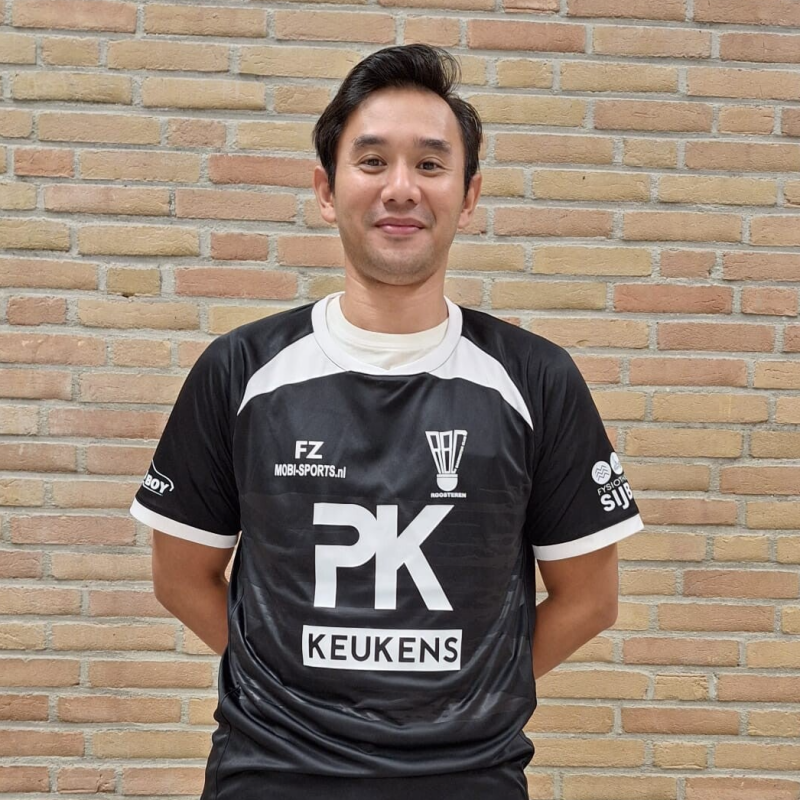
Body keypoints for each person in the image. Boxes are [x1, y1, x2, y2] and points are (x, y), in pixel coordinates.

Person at [129, 44, 644, 800]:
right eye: (372, 162)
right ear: (326, 189)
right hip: (271, 776)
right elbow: (180, 577)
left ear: (468, 196)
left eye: (430, 165)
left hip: (467, 780)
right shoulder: (240, 369)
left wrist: (471, 698)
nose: (401, 188)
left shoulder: (536, 378)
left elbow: (591, 599)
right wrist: (287, 695)